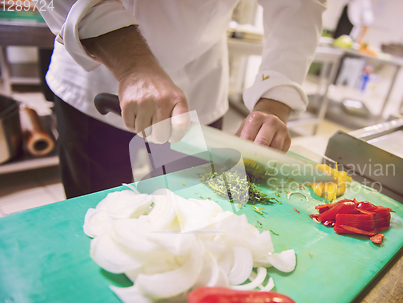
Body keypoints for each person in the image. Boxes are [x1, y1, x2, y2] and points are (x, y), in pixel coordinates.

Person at [38, 0, 326, 198]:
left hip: (200, 83)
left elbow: (299, 5)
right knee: (98, 218)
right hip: (101, 81)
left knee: (194, 212)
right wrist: (132, 65)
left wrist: (275, 99)